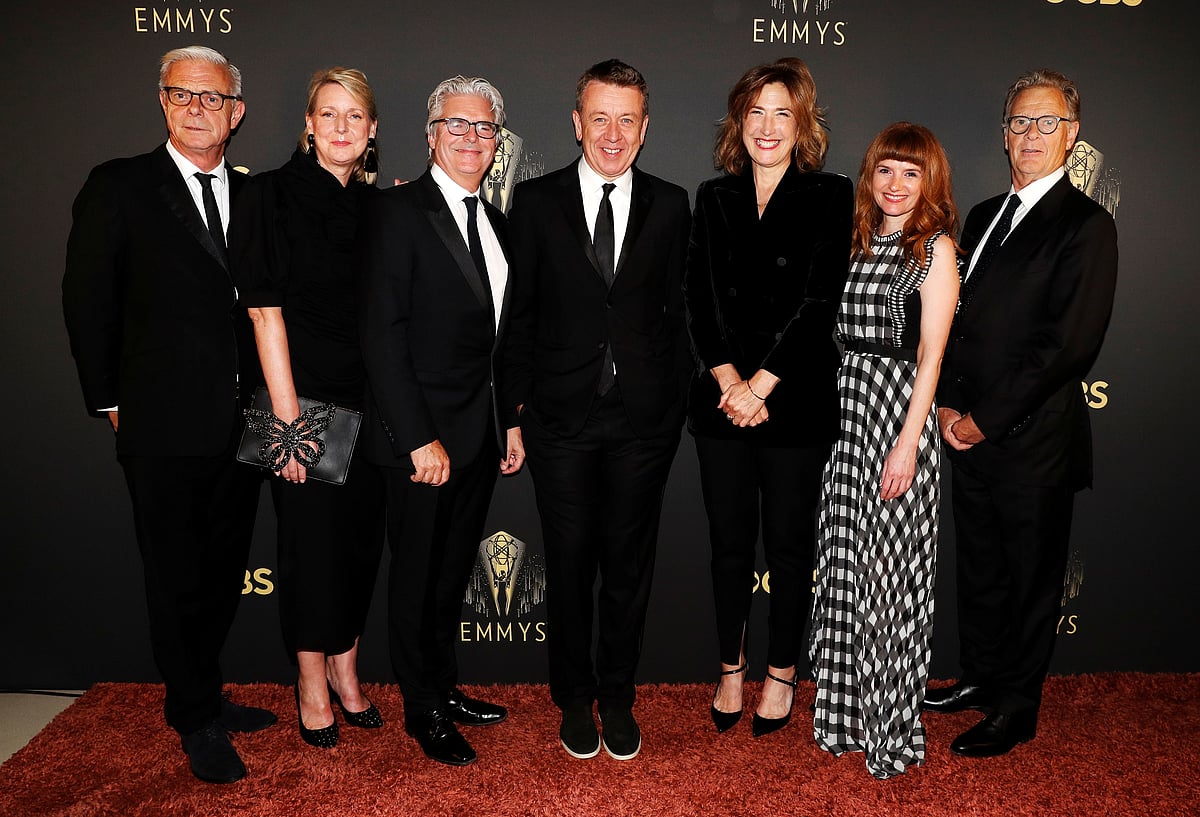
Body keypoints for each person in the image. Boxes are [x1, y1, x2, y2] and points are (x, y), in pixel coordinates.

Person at [62, 45, 275, 784]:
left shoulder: (252, 197)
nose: (195, 106)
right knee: (175, 572)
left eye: (211, 98)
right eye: (182, 93)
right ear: (161, 101)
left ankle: (203, 692)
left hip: (243, 424)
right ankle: (194, 718)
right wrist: (113, 402)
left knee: (221, 571)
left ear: (235, 112)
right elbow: (88, 301)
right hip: (158, 424)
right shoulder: (119, 186)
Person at [923, 69, 1118, 758]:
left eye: (1046, 123)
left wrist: (984, 419)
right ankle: (979, 677)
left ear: (1071, 136)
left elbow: (1065, 347)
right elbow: (955, 319)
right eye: (1019, 123)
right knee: (980, 567)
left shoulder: (1087, 226)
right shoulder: (980, 216)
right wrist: (948, 401)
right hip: (965, 428)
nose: (1030, 136)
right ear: (1004, 137)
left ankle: (1017, 708)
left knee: (1032, 578)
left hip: (1032, 441)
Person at [504, 59, 691, 762]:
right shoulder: (535, 201)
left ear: (644, 130)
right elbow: (517, 317)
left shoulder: (672, 204)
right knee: (571, 561)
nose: (612, 133)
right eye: (600, 117)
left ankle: (618, 695)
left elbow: (680, 313)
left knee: (628, 566)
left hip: (644, 421)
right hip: (560, 418)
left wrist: (673, 403)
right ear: (577, 123)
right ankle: (573, 698)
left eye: (627, 120)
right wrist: (514, 413)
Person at [683, 57, 851, 739]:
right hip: (722, 405)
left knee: (787, 546)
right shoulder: (713, 196)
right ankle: (731, 666)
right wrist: (729, 382)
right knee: (728, 546)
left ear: (803, 123)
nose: (769, 126)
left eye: (784, 112)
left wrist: (761, 384)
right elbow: (699, 296)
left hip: (794, 402)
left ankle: (782, 671)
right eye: (756, 112)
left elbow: (818, 303)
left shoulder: (830, 194)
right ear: (739, 121)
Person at [358, 75, 523, 767]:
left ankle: (445, 686)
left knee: (452, 572)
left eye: (483, 128)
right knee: (417, 575)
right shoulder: (395, 213)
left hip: (479, 436)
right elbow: (380, 336)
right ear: (430, 136)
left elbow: (502, 338)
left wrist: (509, 419)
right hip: (421, 441)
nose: (470, 138)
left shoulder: (499, 222)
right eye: (456, 125)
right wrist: (416, 435)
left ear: (497, 143)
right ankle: (420, 707)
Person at [229, 68, 385, 750]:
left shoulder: (380, 207)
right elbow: (264, 313)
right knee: (309, 552)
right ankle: (311, 681)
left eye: (355, 115)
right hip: (302, 402)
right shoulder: (270, 194)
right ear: (310, 123)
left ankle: (350, 673)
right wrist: (289, 426)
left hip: (373, 404)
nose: (343, 125)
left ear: (373, 129)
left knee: (357, 549)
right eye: (330, 113)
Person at [809, 123, 960, 778]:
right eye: (885, 170)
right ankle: (844, 716)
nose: (895, 184)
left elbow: (931, 356)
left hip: (900, 422)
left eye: (910, 171)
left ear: (930, 182)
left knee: (890, 583)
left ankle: (889, 725)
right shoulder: (859, 243)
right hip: (848, 418)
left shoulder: (936, 250)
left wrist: (906, 444)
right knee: (845, 571)